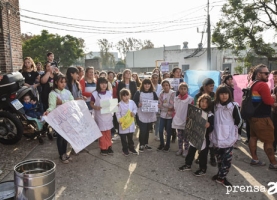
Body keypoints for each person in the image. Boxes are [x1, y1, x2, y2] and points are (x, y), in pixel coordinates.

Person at [210, 85, 242, 186]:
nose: (224, 96)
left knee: (227, 160)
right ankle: (220, 174)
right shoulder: (215, 105)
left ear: (229, 94)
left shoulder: (233, 106)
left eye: (226, 94)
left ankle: (222, 178)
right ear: (218, 95)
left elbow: (239, 121)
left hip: (228, 137)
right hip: (217, 136)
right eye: (221, 94)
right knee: (219, 158)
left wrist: (234, 131)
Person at [248, 64, 277, 170]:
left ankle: (255, 159)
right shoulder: (263, 85)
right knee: (269, 141)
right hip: (263, 118)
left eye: (268, 73)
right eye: (266, 73)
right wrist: (273, 98)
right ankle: (274, 163)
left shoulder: (252, 83)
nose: (268, 75)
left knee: (253, 137)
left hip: (253, 116)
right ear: (259, 74)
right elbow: (268, 101)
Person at [178, 94, 214, 176]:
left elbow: (212, 128)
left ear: (209, 104)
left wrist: (209, 126)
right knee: (191, 151)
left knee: (203, 155)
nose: (204, 104)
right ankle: (188, 164)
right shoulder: (195, 111)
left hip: (204, 139)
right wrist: (188, 120)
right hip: (194, 136)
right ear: (199, 102)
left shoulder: (210, 115)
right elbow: (191, 124)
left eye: (206, 102)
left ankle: (202, 169)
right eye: (202, 101)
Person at [44, 73, 74, 164]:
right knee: (60, 137)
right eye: (61, 82)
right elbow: (52, 106)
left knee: (66, 137)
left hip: (67, 117)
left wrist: (62, 101)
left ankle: (65, 153)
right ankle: (61, 155)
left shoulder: (68, 92)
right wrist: (48, 111)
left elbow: (72, 102)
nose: (63, 84)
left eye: (65, 82)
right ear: (56, 82)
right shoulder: (52, 94)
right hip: (58, 118)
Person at [194, 78, 216, 166]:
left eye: (213, 86)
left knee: (211, 140)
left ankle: (212, 157)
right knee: (202, 139)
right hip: (201, 120)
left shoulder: (214, 95)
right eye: (211, 86)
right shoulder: (198, 95)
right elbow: (196, 107)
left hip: (211, 119)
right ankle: (200, 156)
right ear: (205, 86)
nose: (212, 87)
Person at [90, 77, 114, 156]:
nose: (104, 85)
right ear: (98, 84)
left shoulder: (109, 92)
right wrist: (95, 107)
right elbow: (91, 104)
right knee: (102, 132)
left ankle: (109, 146)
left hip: (108, 115)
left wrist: (114, 105)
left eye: (105, 83)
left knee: (108, 132)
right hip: (100, 116)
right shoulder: (95, 93)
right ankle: (103, 148)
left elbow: (111, 103)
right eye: (102, 83)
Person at [133, 79, 158, 152]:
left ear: (151, 85)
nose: (147, 85)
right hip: (141, 114)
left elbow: (156, 101)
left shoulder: (153, 93)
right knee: (143, 130)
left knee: (147, 130)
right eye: (145, 84)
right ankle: (141, 144)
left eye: (148, 84)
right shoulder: (138, 92)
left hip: (150, 114)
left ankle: (146, 144)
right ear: (142, 84)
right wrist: (138, 104)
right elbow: (134, 101)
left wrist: (157, 105)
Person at [172, 83, 194, 157]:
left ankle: (186, 149)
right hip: (178, 120)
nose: (183, 90)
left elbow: (192, 110)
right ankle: (180, 149)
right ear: (179, 89)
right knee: (180, 136)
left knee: (186, 137)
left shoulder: (190, 99)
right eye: (181, 88)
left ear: (187, 90)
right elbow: (174, 108)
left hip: (186, 121)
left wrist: (189, 117)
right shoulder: (176, 98)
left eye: (185, 89)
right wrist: (174, 115)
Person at [116, 89, 138, 156]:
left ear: (130, 95)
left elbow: (135, 108)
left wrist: (133, 113)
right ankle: (125, 149)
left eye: (127, 95)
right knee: (123, 138)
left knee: (130, 138)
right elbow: (117, 113)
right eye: (124, 96)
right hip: (123, 123)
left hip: (130, 123)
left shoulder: (132, 102)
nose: (126, 97)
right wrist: (119, 120)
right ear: (121, 97)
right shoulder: (119, 104)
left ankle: (131, 148)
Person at [157, 80, 175, 151]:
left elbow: (171, 105)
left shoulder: (173, 93)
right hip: (162, 115)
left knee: (168, 131)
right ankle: (162, 144)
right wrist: (164, 106)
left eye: (167, 85)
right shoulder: (161, 93)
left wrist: (163, 106)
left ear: (169, 86)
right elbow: (159, 104)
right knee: (160, 130)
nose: (165, 87)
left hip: (170, 116)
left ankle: (167, 145)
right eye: (164, 85)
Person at [151, 73, 162, 140]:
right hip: (150, 105)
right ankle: (151, 129)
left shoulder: (161, 86)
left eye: (156, 78)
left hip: (158, 105)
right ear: (151, 79)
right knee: (151, 120)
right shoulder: (149, 86)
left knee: (158, 120)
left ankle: (156, 134)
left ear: (158, 78)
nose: (155, 79)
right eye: (153, 78)